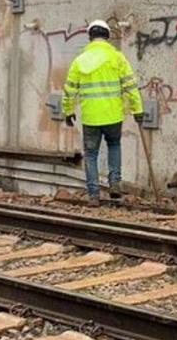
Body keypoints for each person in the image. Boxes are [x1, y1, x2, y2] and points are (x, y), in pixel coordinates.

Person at [61, 20, 143, 206]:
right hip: (113, 115)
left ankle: (94, 195)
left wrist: (68, 111)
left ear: (90, 37)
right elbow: (130, 85)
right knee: (114, 145)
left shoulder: (79, 60)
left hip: (91, 117)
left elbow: (69, 90)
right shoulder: (117, 58)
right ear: (107, 36)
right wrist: (138, 110)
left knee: (91, 154)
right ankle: (114, 183)